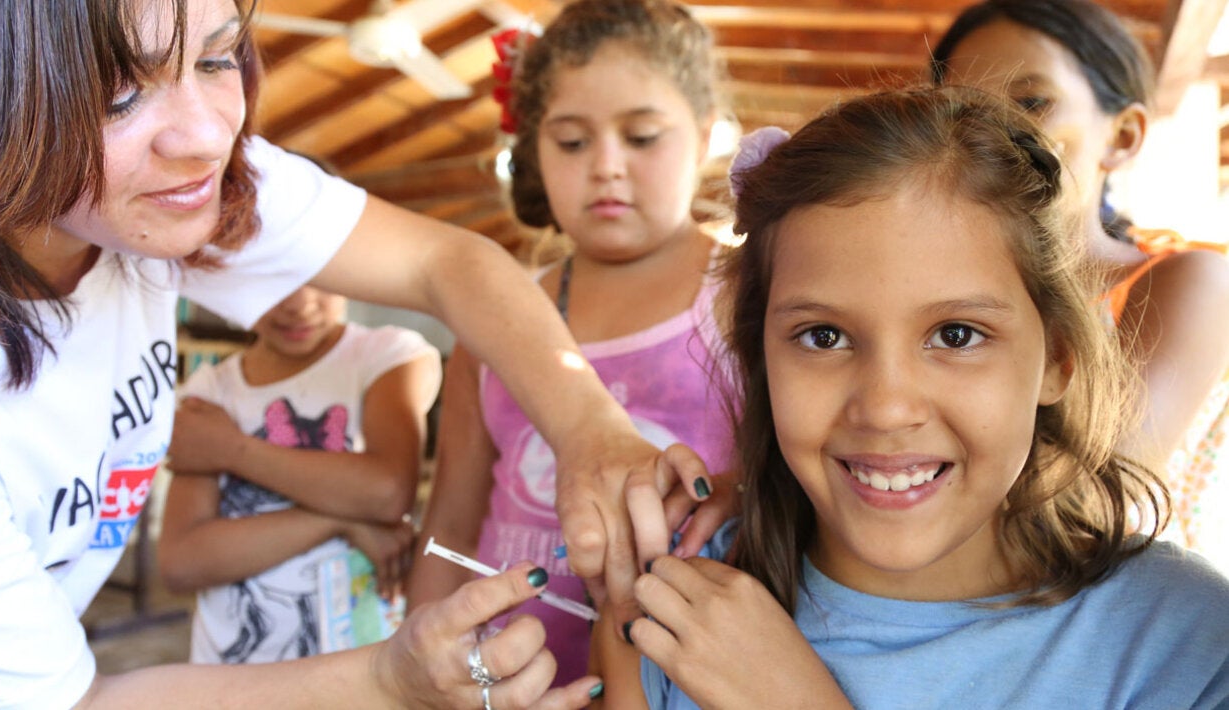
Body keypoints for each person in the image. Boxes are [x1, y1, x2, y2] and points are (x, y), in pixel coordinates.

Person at [0, 0, 713, 705]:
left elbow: (445, 264)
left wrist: (589, 429)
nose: (207, 134)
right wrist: (389, 681)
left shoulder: (151, 193)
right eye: (119, 93)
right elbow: (79, 701)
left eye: (216, 58)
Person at [595, 86, 1229, 709]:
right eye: (823, 336)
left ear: (1057, 359)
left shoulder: (1186, 646)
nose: (885, 408)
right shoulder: (671, 606)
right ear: (761, 357)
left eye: (956, 336)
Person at [406, 0, 736, 686]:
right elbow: (451, 524)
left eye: (642, 136)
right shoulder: (494, 315)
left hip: (684, 687)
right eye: (572, 142)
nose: (607, 166)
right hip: (502, 684)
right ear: (535, 148)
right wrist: (416, 678)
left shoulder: (746, 299)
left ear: (705, 136)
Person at [931, 0, 1229, 573]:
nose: (991, 133)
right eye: (962, 113)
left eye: (1032, 103)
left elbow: (1092, 502)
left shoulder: (1189, 282)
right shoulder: (929, 302)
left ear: (1123, 135)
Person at [157, 283, 440, 664]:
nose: (299, 305)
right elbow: (181, 564)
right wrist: (341, 519)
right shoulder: (212, 389)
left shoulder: (388, 355)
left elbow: (387, 493)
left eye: (319, 279)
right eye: (278, 279)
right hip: (230, 675)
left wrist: (231, 449)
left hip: (352, 671)